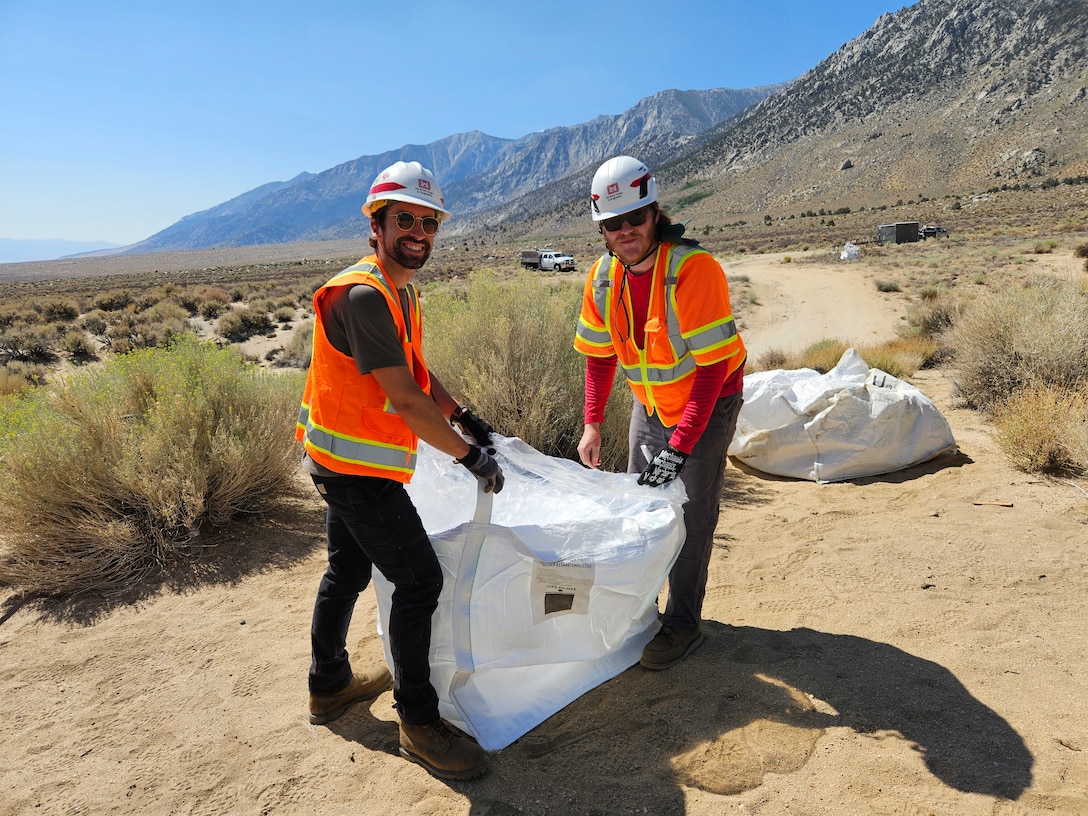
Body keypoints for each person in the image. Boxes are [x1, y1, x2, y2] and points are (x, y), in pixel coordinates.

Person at [296, 160, 502, 780]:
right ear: (376, 228)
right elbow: (406, 401)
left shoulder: (398, 291)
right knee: (419, 584)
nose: (418, 230)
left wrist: (465, 416)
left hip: (343, 461)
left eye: (427, 221)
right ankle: (418, 723)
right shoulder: (363, 295)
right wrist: (468, 458)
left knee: (348, 569)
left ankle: (329, 684)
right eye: (404, 219)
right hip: (354, 473)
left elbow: (416, 372)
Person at [574, 155, 746, 671]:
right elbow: (600, 355)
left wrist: (680, 445)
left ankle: (683, 623)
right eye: (613, 223)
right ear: (602, 229)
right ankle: (638, 612)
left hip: (708, 406)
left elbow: (711, 373)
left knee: (691, 516)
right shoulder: (603, 279)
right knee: (641, 514)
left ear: (655, 214)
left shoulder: (694, 270)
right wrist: (592, 421)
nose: (626, 231)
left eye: (636, 218)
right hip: (650, 405)